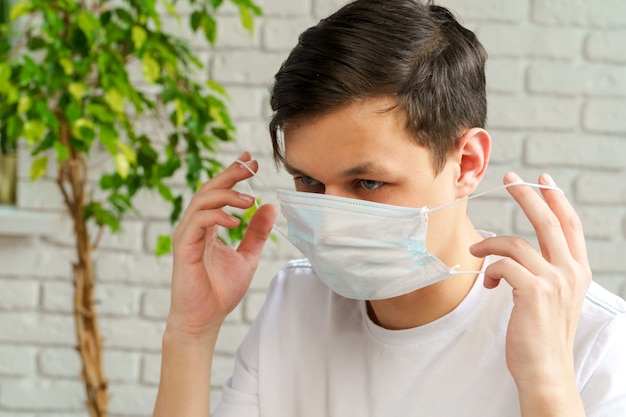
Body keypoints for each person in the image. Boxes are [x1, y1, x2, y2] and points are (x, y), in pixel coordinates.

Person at [153, 0, 626, 416]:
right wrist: (191, 333)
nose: (332, 227)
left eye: (368, 182)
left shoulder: (593, 339)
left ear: (467, 163)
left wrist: (546, 380)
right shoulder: (296, 302)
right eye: (309, 182)